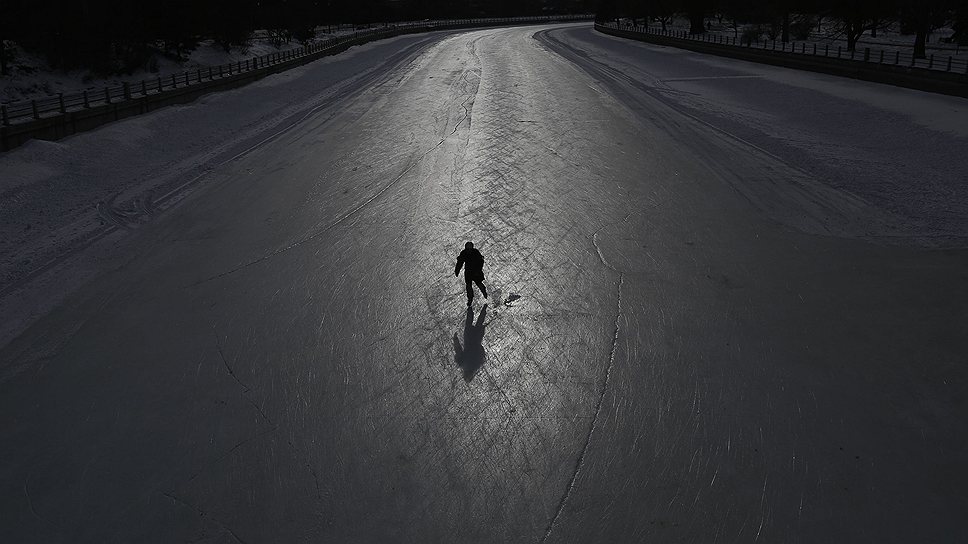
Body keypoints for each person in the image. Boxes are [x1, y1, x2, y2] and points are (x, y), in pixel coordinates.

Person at [455, 241, 488, 306]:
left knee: (478, 283)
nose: (469, 250)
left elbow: (481, 261)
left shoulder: (475, 252)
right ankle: (470, 299)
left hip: (475, 271)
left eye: (470, 248)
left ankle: (484, 292)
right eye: (468, 248)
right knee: (469, 286)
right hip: (468, 272)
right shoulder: (464, 253)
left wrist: (478, 270)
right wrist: (457, 270)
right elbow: (460, 262)